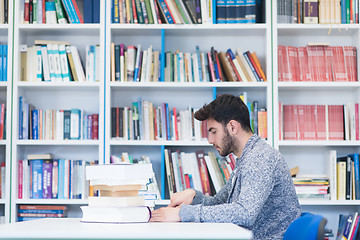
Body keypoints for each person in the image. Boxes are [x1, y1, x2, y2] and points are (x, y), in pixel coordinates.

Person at [150, 94, 301, 240]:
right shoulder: (246, 158)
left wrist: (183, 213)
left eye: (213, 132)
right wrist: (194, 196)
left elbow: (244, 213)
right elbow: (219, 202)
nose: (210, 140)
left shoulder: (260, 158)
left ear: (233, 127)